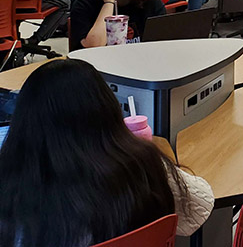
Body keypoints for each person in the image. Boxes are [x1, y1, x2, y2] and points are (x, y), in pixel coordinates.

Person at [0, 59, 213, 246]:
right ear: (108, 109)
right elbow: (201, 205)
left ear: (25, 121)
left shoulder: (13, 183)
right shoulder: (139, 162)